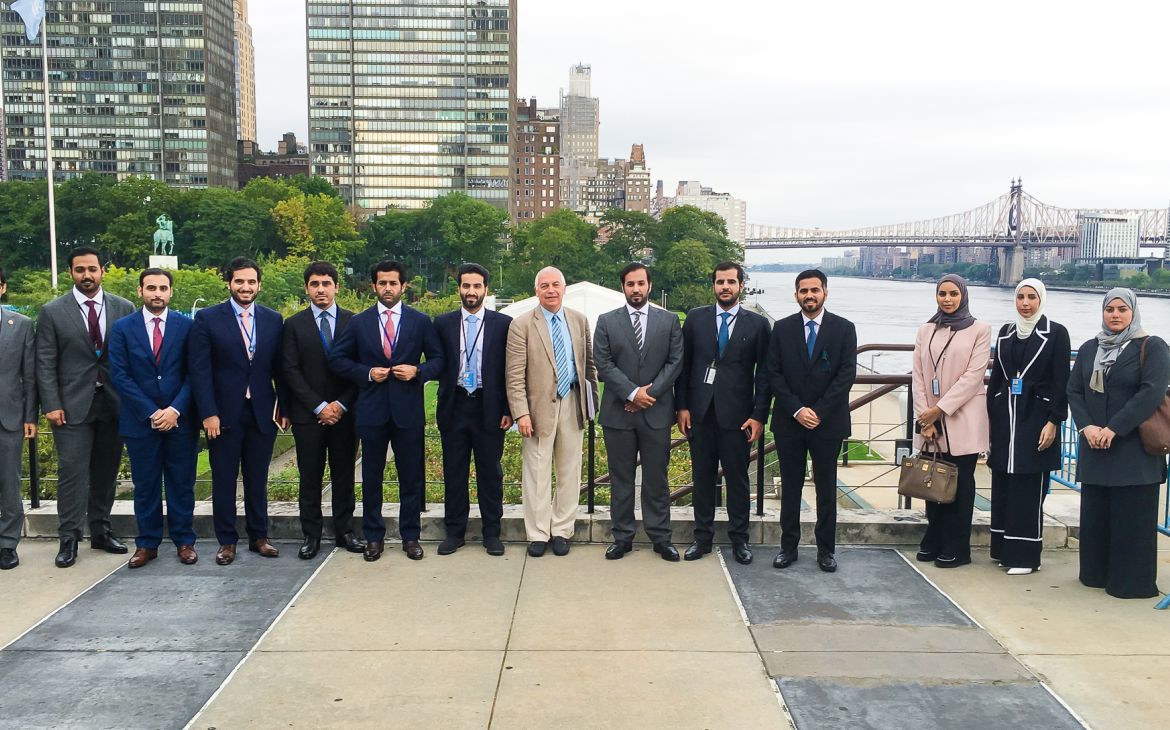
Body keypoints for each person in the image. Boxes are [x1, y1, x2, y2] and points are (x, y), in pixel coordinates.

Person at [330, 260, 443, 562]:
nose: (388, 288)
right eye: (383, 283)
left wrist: (418, 372)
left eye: (393, 283)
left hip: (408, 412)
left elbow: (439, 360)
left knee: (411, 478)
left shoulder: (420, 321)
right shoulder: (360, 322)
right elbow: (337, 360)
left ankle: (411, 536)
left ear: (404, 286)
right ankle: (374, 537)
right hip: (372, 412)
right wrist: (367, 373)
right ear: (374, 286)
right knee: (371, 478)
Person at [1067, 288, 1169, 599]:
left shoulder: (1152, 347)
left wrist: (1114, 429)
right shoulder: (1090, 348)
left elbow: (1150, 392)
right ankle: (1096, 574)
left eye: (1122, 309)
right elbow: (1074, 391)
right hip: (1095, 448)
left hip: (1133, 451)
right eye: (1109, 309)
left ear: (1133, 312)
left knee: (1131, 519)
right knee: (1097, 518)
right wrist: (1087, 427)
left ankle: (1130, 584)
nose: (1115, 315)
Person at [36, 246, 134, 568]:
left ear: (102, 270)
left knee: (106, 472)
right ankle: (69, 538)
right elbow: (45, 362)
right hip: (70, 406)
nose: (87, 275)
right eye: (80, 270)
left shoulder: (124, 307)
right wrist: (51, 404)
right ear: (71, 273)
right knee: (72, 473)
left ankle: (101, 531)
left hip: (113, 403)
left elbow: (132, 357)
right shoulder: (53, 311)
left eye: (92, 269)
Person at [189, 257, 287, 566]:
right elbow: (199, 370)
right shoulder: (207, 318)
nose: (246, 287)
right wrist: (208, 412)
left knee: (258, 478)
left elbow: (281, 369)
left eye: (251, 282)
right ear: (229, 283)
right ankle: (227, 541)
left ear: (259, 285)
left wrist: (282, 407)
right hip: (223, 415)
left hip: (262, 412)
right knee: (224, 479)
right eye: (239, 281)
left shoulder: (273, 319)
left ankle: (259, 537)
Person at [676, 261, 771, 565]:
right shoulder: (695, 319)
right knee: (702, 479)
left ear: (741, 285)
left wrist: (759, 415)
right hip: (700, 414)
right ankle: (702, 538)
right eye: (720, 282)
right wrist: (682, 406)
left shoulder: (757, 325)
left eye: (731, 282)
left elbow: (764, 374)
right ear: (713, 286)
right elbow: (684, 367)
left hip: (739, 417)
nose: (725, 287)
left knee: (738, 481)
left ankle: (740, 540)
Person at [504, 266, 599, 558]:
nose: (551, 290)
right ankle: (537, 534)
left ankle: (561, 530)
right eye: (544, 285)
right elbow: (514, 375)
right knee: (536, 472)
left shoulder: (579, 320)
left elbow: (589, 366)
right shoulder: (521, 325)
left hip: (572, 401)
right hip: (537, 410)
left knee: (570, 471)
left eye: (556, 284)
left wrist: (591, 405)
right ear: (536, 291)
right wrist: (521, 413)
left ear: (564, 288)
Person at [108, 268, 199, 568]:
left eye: (162, 288)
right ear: (140, 291)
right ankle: (147, 544)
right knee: (145, 485)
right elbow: (120, 375)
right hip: (140, 422)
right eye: (151, 288)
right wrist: (151, 411)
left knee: (181, 484)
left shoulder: (187, 327)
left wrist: (175, 410)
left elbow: (194, 373)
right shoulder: (122, 328)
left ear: (171, 292)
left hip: (179, 420)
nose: (157, 293)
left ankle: (184, 541)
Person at [768, 269, 857, 573]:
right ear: (796, 295)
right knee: (790, 488)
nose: (809, 295)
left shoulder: (844, 329)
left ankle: (826, 550)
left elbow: (846, 374)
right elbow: (773, 373)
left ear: (825, 292)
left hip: (827, 423)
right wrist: (797, 410)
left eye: (814, 290)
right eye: (803, 290)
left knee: (826, 489)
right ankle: (788, 548)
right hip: (790, 421)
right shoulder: (781, 328)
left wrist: (818, 411)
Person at [594, 263, 684, 561]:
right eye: (630, 284)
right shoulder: (606, 322)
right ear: (623, 287)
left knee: (657, 479)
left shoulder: (669, 320)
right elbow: (603, 363)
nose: (636, 289)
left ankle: (661, 538)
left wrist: (649, 395)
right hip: (618, 414)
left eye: (641, 283)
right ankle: (622, 538)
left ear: (649, 285)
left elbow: (675, 362)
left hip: (656, 413)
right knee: (621, 480)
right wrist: (633, 393)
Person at [281, 261, 365, 560]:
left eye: (326, 284)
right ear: (307, 288)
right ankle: (311, 535)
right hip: (309, 415)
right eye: (314, 284)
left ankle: (345, 531)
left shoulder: (354, 322)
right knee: (310, 476)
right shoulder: (293, 325)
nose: (321, 289)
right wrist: (318, 406)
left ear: (336, 287)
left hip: (345, 414)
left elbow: (360, 368)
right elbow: (290, 370)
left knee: (344, 475)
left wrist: (340, 405)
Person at [986, 279, 1069, 576]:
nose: (1025, 303)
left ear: (1041, 299)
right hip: (1005, 418)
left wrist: (1054, 421)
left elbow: (1061, 381)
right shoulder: (1007, 332)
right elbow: (997, 377)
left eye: (1031, 297)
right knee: (1004, 484)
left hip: (1036, 418)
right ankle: (1003, 550)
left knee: (1028, 486)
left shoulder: (1055, 333)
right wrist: (992, 413)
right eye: (1020, 296)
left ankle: (1025, 557)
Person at [912, 274, 991, 569]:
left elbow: (973, 376)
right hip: (930, 423)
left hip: (962, 418)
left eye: (953, 294)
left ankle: (957, 547)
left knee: (960, 485)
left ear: (963, 296)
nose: (947, 299)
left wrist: (940, 410)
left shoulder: (980, 330)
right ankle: (934, 538)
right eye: (942, 293)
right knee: (932, 481)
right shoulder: (926, 330)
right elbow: (918, 376)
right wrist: (925, 418)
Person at [434, 263, 513, 556]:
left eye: (477, 286)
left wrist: (508, 408)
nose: (471, 291)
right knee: (454, 473)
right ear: (459, 289)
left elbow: (510, 370)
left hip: (488, 407)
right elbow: (437, 361)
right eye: (466, 286)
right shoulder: (442, 323)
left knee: (490, 474)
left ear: (485, 289)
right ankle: (455, 533)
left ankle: (491, 533)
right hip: (454, 406)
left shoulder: (503, 324)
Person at [0, 267, 36, 570]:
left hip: (8, 417)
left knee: (9, 483)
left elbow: (30, 375)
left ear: (2, 288)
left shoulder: (21, 325)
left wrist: (30, 416)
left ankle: (7, 544)